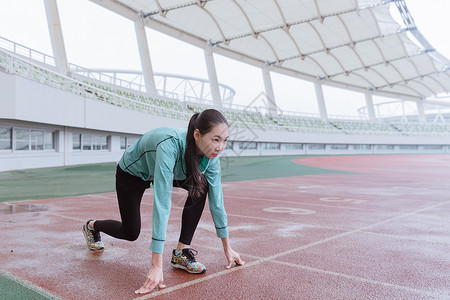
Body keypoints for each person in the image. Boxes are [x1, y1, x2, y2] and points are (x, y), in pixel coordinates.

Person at [81, 109, 245, 294]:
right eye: (215, 139)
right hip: (133, 173)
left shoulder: (211, 156)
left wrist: (228, 248)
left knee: (201, 187)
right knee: (131, 231)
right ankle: (92, 226)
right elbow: (162, 200)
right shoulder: (170, 144)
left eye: (225, 140)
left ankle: (181, 253)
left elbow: (217, 201)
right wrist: (156, 266)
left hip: (173, 169)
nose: (220, 147)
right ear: (197, 135)